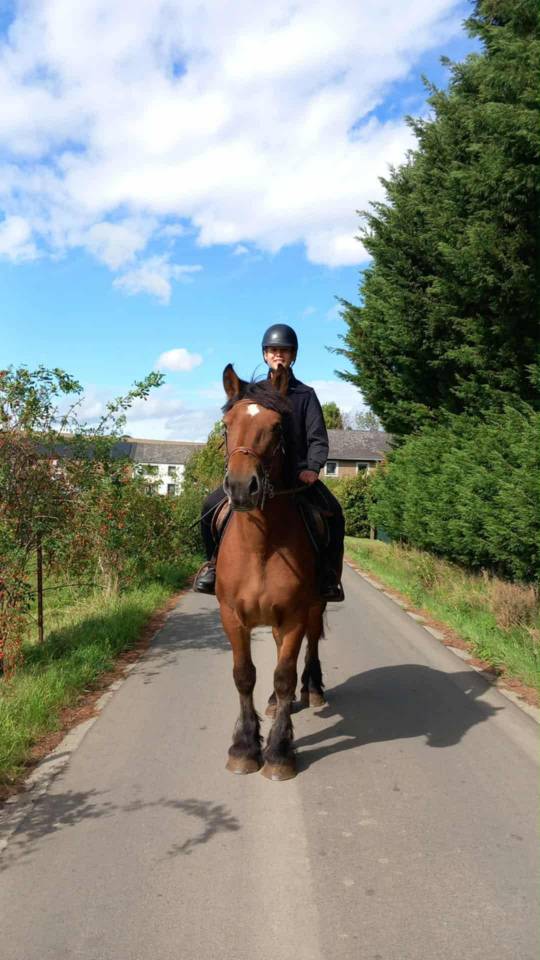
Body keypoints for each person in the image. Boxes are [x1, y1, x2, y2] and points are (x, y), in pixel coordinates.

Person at [194, 323, 345, 601]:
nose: (279, 355)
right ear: (265, 355)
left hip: (298, 478)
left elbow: (318, 438)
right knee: (209, 507)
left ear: (293, 356)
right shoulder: (253, 393)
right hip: (259, 474)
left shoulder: (306, 395)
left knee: (334, 514)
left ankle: (328, 575)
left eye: (285, 351)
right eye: (273, 350)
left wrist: (312, 468)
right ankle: (213, 564)